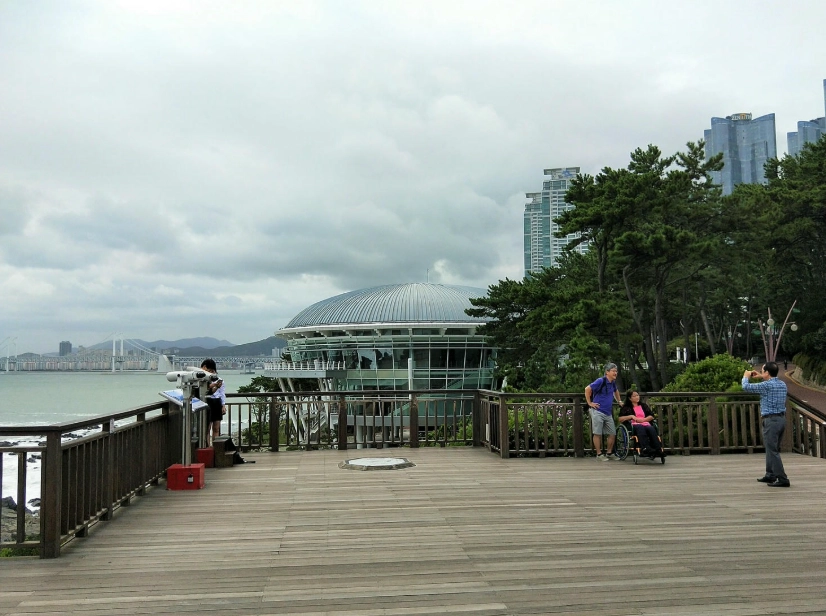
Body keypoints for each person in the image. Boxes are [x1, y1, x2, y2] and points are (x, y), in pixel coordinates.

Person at [742, 362, 790, 488]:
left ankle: (782, 478)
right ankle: (770, 474)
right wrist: (762, 376)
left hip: (771, 420)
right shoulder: (782, 384)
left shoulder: (766, 386)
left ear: (767, 372)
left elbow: (746, 387)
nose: (761, 372)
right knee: (772, 449)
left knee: (772, 450)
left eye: (763, 370)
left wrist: (746, 376)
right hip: (781, 419)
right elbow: (770, 382)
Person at [585, 363, 622, 460]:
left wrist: (619, 401)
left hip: (608, 412)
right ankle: (599, 454)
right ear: (607, 372)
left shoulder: (612, 383)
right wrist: (590, 403)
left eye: (616, 371)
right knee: (597, 433)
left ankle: (609, 453)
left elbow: (616, 391)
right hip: (597, 411)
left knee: (612, 433)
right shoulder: (600, 381)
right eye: (613, 371)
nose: (615, 373)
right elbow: (587, 389)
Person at [618, 390, 662, 458]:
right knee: (640, 428)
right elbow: (620, 419)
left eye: (637, 395)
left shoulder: (643, 405)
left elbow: (651, 415)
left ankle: (658, 449)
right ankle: (645, 448)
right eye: (634, 396)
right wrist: (631, 416)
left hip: (645, 422)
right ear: (630, 398)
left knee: (651, 428)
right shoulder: (626, 407)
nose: (637, 397)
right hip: (633, 424)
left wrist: (644, 420)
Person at [200, 358, 226, 446]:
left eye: (212, 370)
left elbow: (221, 393)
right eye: (209, 370)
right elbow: (206, 390)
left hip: (217, 402)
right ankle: (207, 446)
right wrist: (214, 385)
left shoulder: (218, 379)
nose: (211, 372)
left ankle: (216, 448)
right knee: (207, 427)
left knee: (216, 428)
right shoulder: (201, 378)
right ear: (204, 367)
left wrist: (223, 405)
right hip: (207, 402)